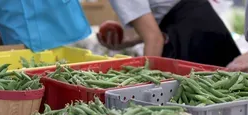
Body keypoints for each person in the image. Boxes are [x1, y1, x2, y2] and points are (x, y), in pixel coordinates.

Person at [98, 0, 241, 67]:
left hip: (193, 41)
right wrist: (132, 41)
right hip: (207, 25)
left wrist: (142, 84)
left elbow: (155, 39)